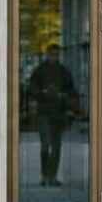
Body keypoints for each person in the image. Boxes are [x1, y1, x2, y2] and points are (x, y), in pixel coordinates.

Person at [28, 45, 78, 187]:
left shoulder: (64, 71)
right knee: (46, 146)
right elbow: (32, 90)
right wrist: (43, 93)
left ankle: (52, 176)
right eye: (53, 54)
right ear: (48, 54)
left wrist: (62, 96)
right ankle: (45, 175)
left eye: (57, 54)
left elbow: (71, 91)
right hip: (45, 112)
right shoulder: (40, 70)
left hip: (58, 113)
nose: (54, 57)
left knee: (56, 146)